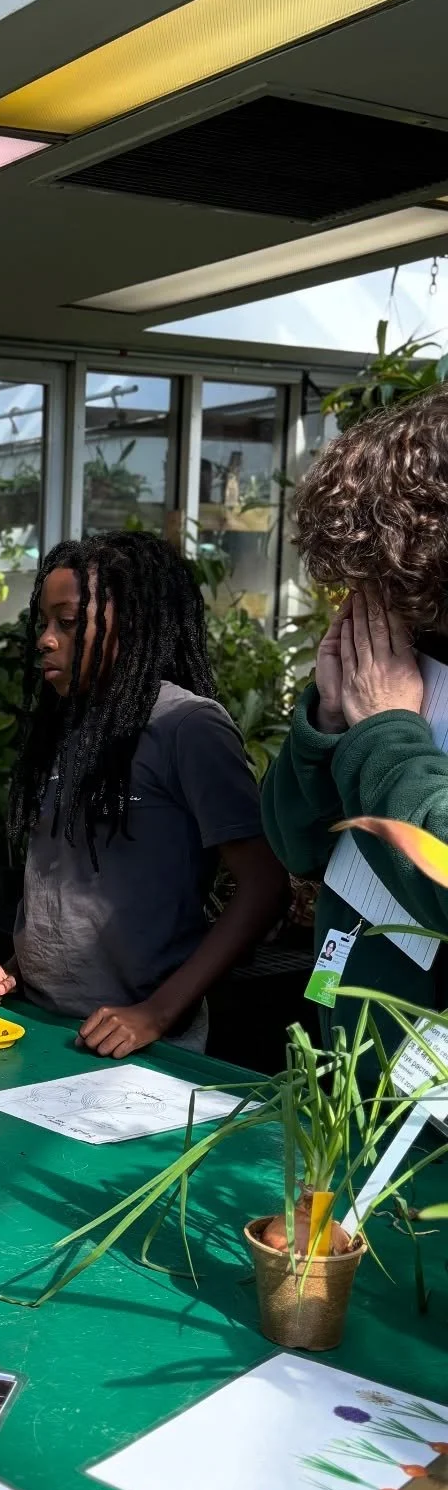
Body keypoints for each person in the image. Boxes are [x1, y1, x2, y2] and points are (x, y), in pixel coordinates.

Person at [0, 533, 286, 1055]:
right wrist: (10, 971)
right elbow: (68, 885)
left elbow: (265, 886)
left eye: (67, 623)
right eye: (43, 623)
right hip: (38, 1024)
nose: (46, 639)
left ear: (132, 624)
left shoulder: (188, 725)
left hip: (141, 1043)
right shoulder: (63, 724)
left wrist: (157, 1014)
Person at [264, 391, 448, 1021]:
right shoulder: (400, 664)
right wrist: (327, 724)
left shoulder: (395, 702)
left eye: (388, 584)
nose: (370, 608)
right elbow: (298, 846)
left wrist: (388, 732)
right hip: (351, 1059)